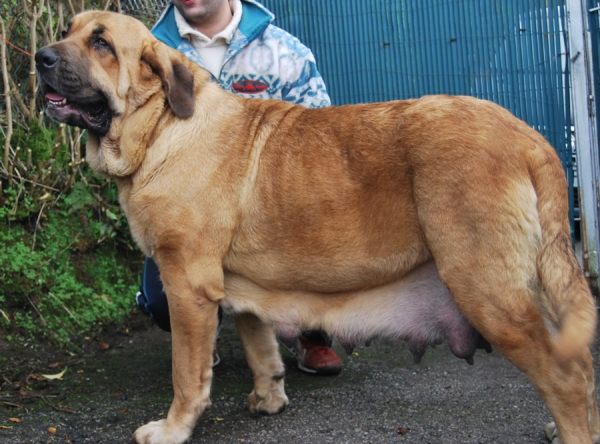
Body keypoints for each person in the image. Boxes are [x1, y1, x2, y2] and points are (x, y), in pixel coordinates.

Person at [135, 0, 343, 376]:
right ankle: (199, 340)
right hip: (189, 212)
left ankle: (312, 335)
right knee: (163, 298)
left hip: (273, 212)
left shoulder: (285, 52)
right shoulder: (149, 52)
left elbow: (320, 139)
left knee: (324, 253)